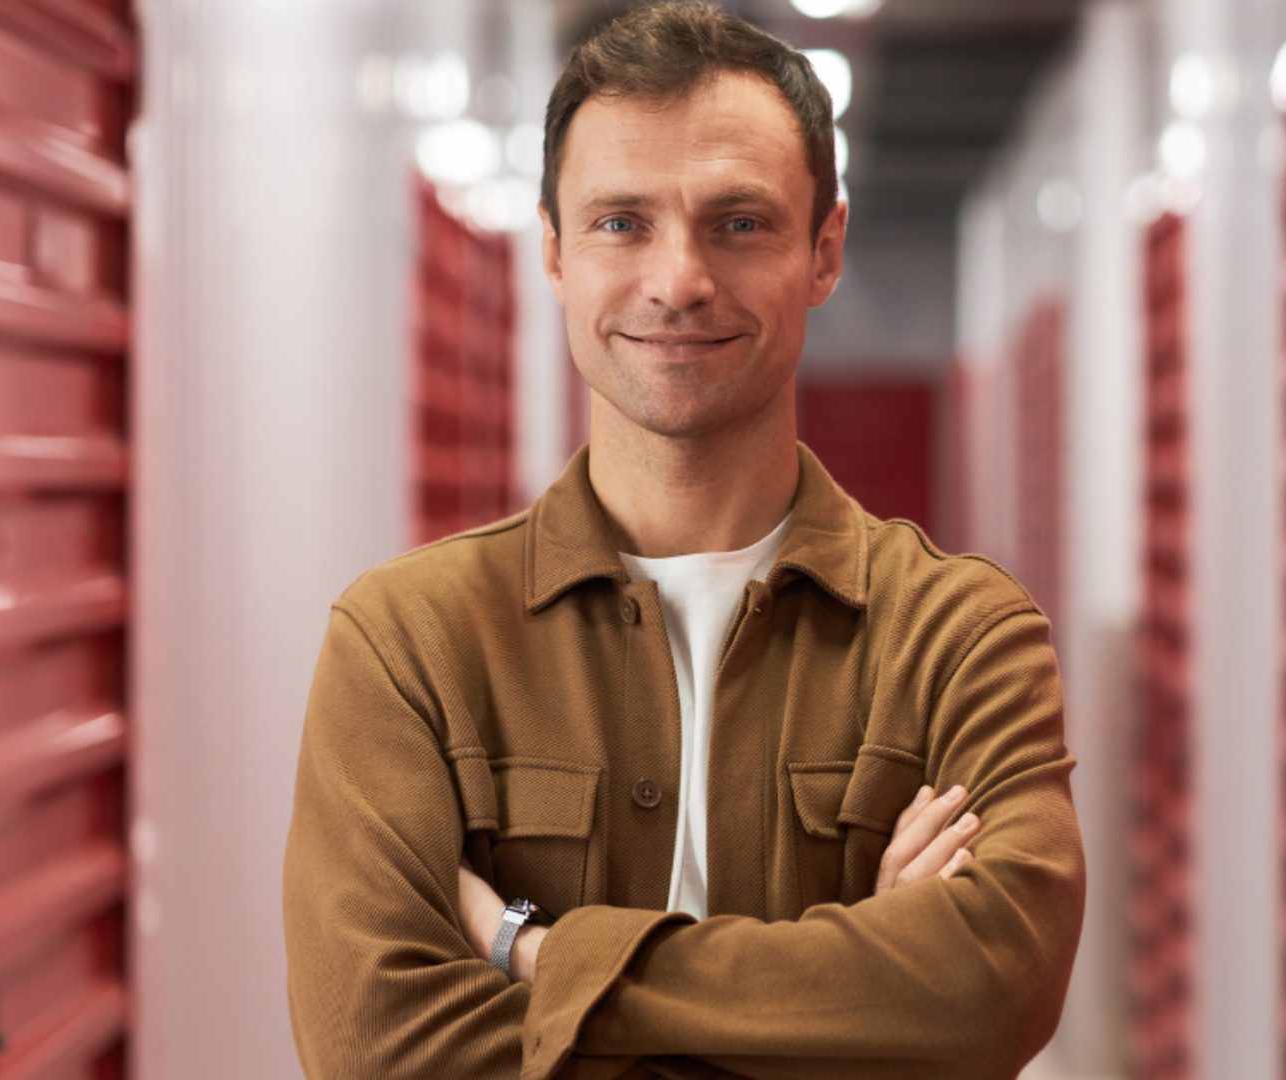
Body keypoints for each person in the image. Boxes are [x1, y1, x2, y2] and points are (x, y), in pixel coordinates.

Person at [281, 3, 1084, 1078]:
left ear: (825, 250)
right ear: (556, 252)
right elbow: (378, 1043)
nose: (677, 280)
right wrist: (851, 1000)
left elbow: (987, 993)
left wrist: (541, 957)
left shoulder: (958, 640)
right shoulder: (409, 644)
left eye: (738, 222)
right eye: (622, 223)